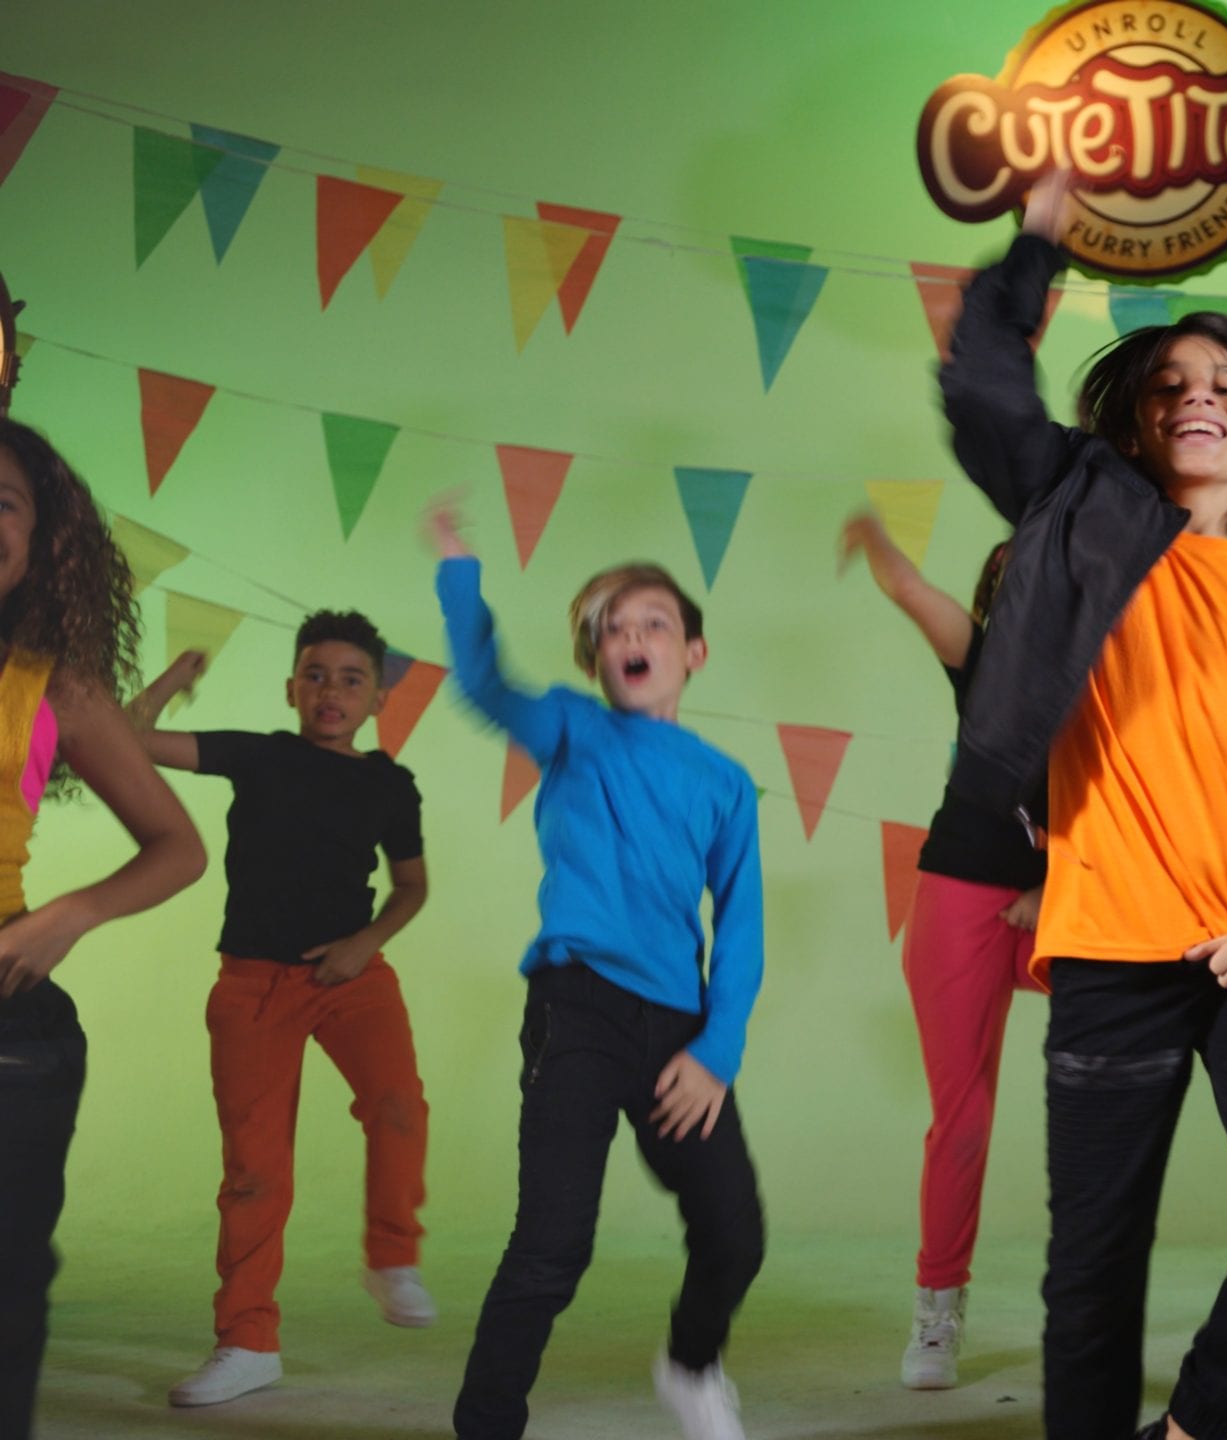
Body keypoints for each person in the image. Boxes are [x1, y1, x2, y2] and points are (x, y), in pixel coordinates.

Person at [940, 169, 1227, 1440]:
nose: (1197, 400)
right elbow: (979, 384)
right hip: (1108, 951)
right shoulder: (1079, 515)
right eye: (1170, 387)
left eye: (1225, 389)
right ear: (1137, 427)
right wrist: (1035, 236)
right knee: (1094, 1263)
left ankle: (1188, 1429)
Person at [429, 504, 767, 1440]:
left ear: (692, 652)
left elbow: (740, 925)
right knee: (551, 1247)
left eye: (654, 622)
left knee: (736, 1235)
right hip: (576, 1012)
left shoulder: (724, 782)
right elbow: (484, 682)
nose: (633, 636)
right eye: (614, 627)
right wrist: (462, 574)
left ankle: (690, 1367)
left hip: (680, 1036)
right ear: (595, 658)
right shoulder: (570, 728)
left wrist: (718, 1049)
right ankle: (486, 1424)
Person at [128, 612, 436, 1408]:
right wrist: (170, 682)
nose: (330, 690)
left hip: (350, 977)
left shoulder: (388, 784)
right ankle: (247, 1342)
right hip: (254, 984)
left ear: (376, 700)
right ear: (292, 687)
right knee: (256, 1173)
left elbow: (412, 886)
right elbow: (125, 740)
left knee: (399, 1104)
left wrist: (363, 944)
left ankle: (391, 1254)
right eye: (315, 673)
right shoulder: (258, 753)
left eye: (350, 678)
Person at [0, 417, 206, 1440]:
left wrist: (67, 917)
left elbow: (178, 846)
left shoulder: (57, 685)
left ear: (39, 542)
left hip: (5, 1012)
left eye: (2, 503)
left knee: (2, 1283)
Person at [840, 515, 1045, 1390]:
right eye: (1012, 584)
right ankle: (937, 1308)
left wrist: (1060, 887)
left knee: (1119, 1092)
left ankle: (1093, 1299)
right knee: (962, 1118)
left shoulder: (1118, 672)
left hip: (1071, 903)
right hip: (961, 889)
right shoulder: (987, 662)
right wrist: (877, 544)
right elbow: (914, 593)